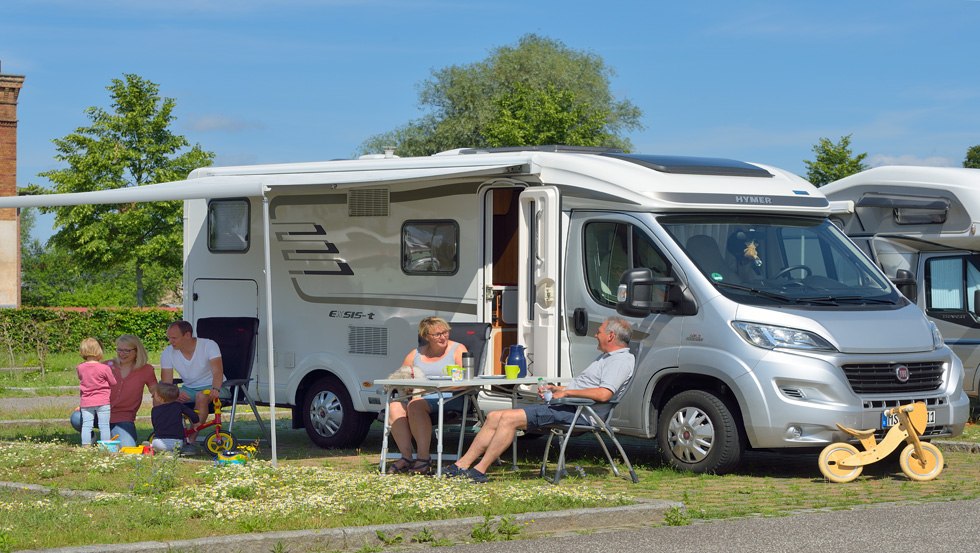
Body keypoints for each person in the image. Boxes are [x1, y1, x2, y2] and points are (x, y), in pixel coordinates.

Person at [444, 316, 635, 483]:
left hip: (580, 414)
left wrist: (566, 394)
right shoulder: (606, 358)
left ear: (610, 336)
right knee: (494, 416)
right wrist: (558, 388)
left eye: (599, 331)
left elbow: (604, 394)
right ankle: (462, 465)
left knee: (508, 419)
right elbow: (589, 387)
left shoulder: (619, 361)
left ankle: (479, 471)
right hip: (569, 407)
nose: (596, 334)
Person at [386, 316, 469, 475]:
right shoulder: (416, 354)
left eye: (445, 332)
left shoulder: (458, 350)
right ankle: (407, 457)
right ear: (426, 336)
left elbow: (463, 381)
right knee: (395, 405)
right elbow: (401, 377)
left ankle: (424, 458)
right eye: (437, 334)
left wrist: (430, 390)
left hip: (450, 396)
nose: (443, 336)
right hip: (419, 396)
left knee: (415, 405)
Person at [160, 320, 224, 446]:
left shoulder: (208, 345)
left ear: (187, 335)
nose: (170, 341)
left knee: (201, 396)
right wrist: (174, 394)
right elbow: (166, 382)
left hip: (214, 387)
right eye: (169, 338)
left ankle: (190, 440)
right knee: (159, 399)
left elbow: (218, 372)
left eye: (174, 338)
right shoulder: (168, 352)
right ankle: (165, 436)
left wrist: (215, 388)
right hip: (189, 389)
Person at [104, 334, 158, 447]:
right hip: (100, 411)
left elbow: (156, 392)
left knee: (129, 447)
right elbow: (91, 386)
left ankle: (109, 434)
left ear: (137, 351)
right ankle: (92, 436)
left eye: (127, 351)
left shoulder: (146, 369)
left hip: (123, 416)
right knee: (77, 418)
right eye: (119, 349)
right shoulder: (106, 366)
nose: (122, 354)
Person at [76, 337, 117, 446]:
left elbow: (82, 379)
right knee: (104, 426)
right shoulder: (104, 368)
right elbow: (113, 382)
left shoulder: (80, 367)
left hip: (86, 401)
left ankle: (85, 445)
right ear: (99, 350)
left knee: (86, 425)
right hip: (103, 401)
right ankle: (105, 446)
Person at [150, 382, 199, 453]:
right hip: (177, 442)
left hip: (158, 442)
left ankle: (154, 448)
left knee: (156, 444)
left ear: (160, 398)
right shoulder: (178, 406)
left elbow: (154, 424)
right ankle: (172, 453)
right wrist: (196, 422)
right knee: (175, 449)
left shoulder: (155, 410)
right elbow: (192, 414)